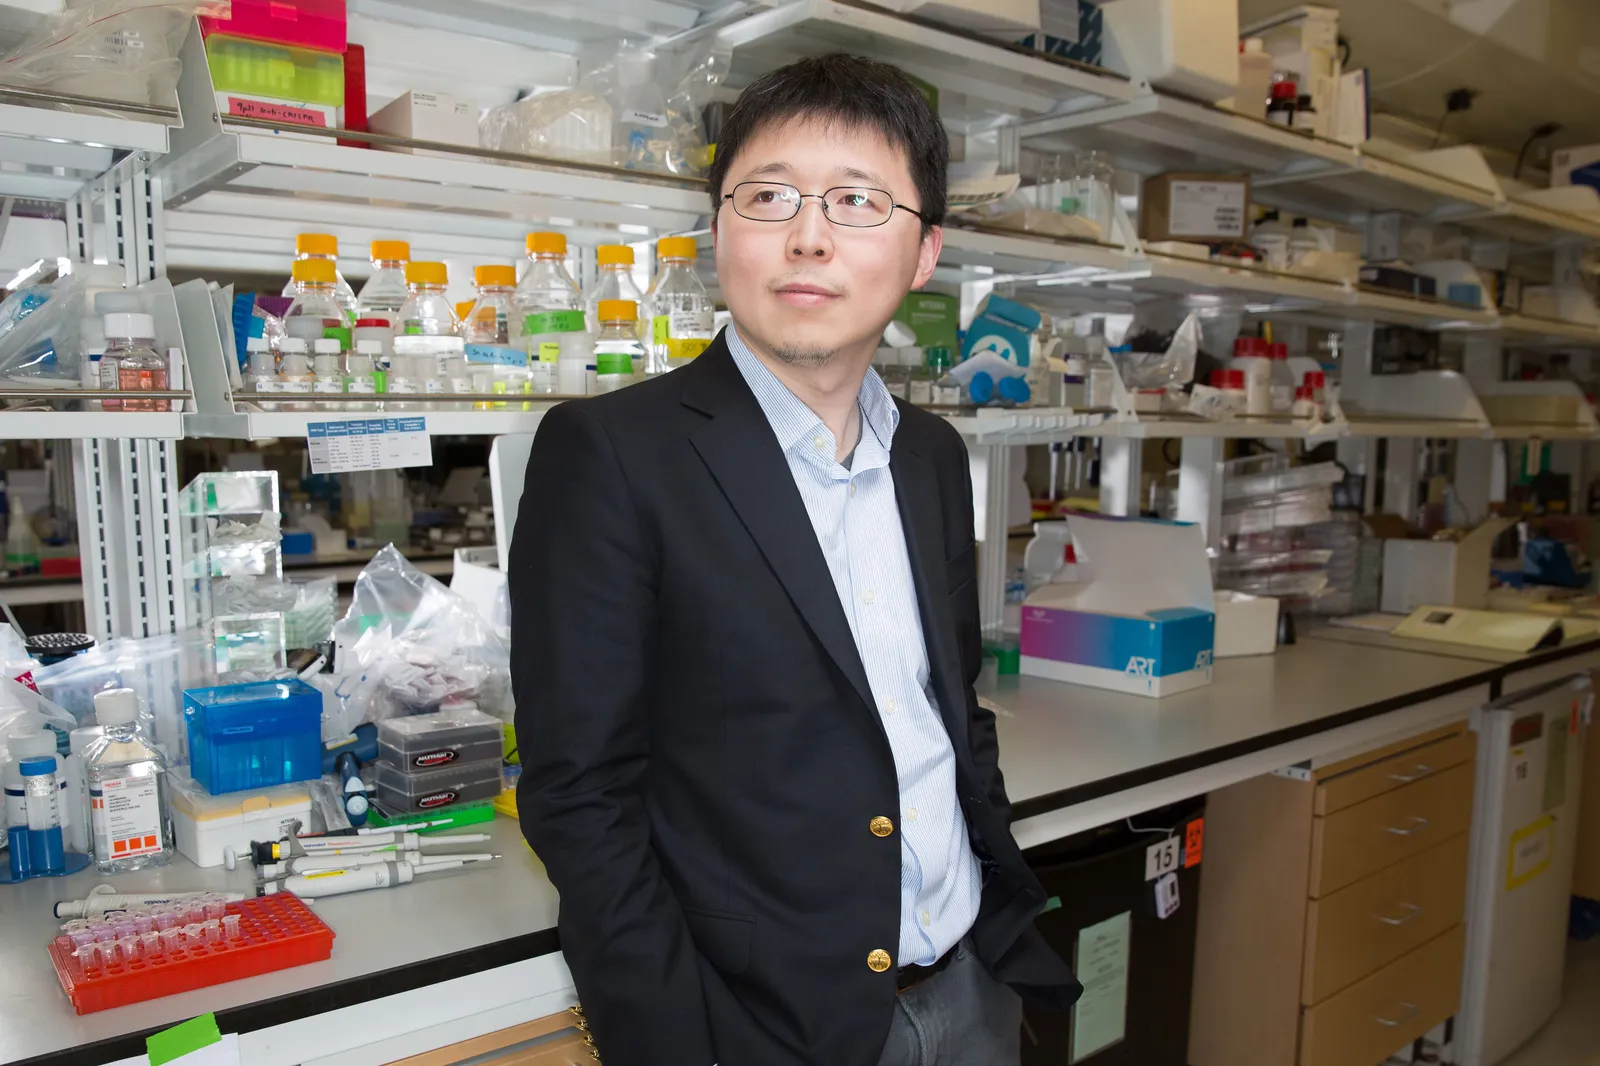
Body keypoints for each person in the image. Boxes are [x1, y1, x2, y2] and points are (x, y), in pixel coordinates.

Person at [510, 52, 1079, 1066]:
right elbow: (579, 796)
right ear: (717, 232)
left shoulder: (932, 457)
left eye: (858, 201)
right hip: (764, 1027)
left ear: (922, 253)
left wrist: (997, 913)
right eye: (768, 196)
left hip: (972, 989)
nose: (808, 235)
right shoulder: (613, 454)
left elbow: (951, 709)